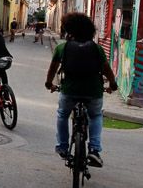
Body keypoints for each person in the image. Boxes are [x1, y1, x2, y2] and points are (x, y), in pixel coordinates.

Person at [44, 12, 118, 167]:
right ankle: (94, 150)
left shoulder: (62, 48)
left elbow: (52, 69)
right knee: (96, 116)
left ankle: (63, 147)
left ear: (70, 30)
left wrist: (49, 83)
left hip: (69, 91)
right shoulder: (97, 49)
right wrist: (112, 84)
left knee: (63, 115)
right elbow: (107, 70)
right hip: (93, 92)